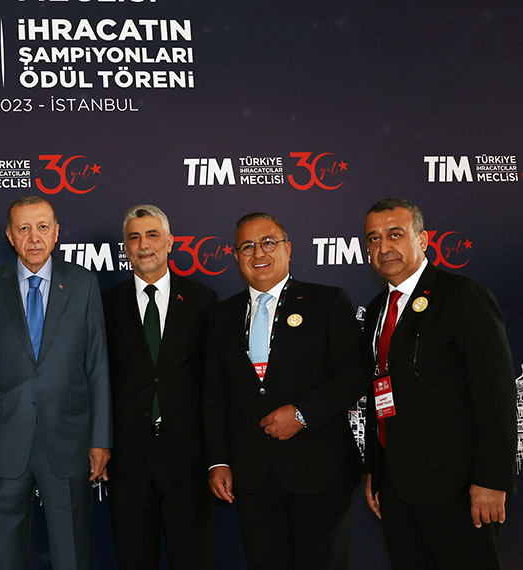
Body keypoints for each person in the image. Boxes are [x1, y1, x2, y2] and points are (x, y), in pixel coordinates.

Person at [203, 212, 367, 570]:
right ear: (236, 256)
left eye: (268, 242)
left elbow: (353, 374)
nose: (258, 253)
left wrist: (303, 413)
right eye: (247, 246)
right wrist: (219, 460)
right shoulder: (223, 315)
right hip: (253, 476)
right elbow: (214, 393)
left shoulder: (327, 302)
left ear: (288, 248)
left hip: (320, 473)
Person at [361, 197, 516, 569]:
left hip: (458, 490)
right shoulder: (377, 309)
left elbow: (495, 393)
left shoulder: (462, 295)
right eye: (374, 238)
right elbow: (378, 393)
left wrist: (491, 480)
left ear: (422, 239)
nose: (384, 247)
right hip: (396, 488)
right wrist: (375, 471)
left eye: (395, 234)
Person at [0, 195, 111, 570]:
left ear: (56, 232)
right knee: (3, 557)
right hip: (2, 441)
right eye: (24, 228)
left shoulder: (83, 284)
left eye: (42, 227)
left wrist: (100, 439)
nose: (34, 237)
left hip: (68, 439)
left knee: (72, 554)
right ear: (10, 236)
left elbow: (97, 367)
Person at [102, 205, 217, 569]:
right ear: (125, 248)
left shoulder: (202, 300)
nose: (144, 245)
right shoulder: (105, 305)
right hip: (128, 458)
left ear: (170, 242)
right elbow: (97, 380)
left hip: (189, 457)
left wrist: (217, 455)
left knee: (193, 558)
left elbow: (214, 383)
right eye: (134, 238)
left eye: (152, 235)